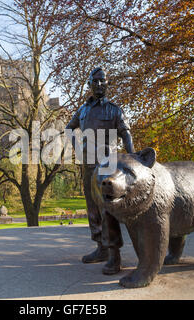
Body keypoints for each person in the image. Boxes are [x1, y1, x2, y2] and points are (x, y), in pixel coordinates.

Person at [65, 67, 134, 275]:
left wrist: (133, 157)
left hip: (108, 166)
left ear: (107, 83)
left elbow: (126, 134)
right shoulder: (83, 110)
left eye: (103, 80)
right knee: (93, 209)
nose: (100, 84)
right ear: (90, 84)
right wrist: (78, 149)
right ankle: (101, 248)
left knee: (107, 210)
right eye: (96, 81)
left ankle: (114, 255)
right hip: (88, 165)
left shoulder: (114, 110)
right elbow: (69, 128)